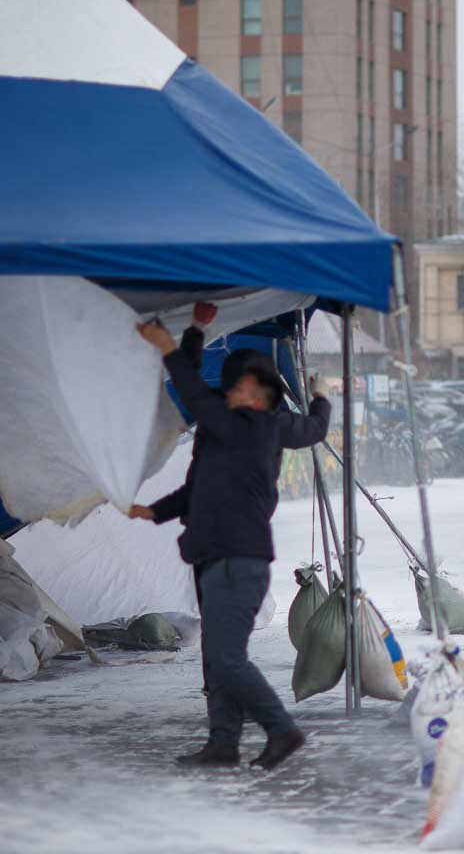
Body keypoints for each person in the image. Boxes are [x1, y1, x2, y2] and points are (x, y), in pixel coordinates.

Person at [130, 319, 330, 770]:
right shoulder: (224, 428)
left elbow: (194, 391)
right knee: (217, 658)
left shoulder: (255, 427)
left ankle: (282, 729)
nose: (228, 391)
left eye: (238, 385)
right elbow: (199, 484)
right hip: (213, 554)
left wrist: (171, 345)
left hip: (237, 560)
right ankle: (222, 743)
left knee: (226, 659)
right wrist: (154, 511)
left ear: (260, 397)